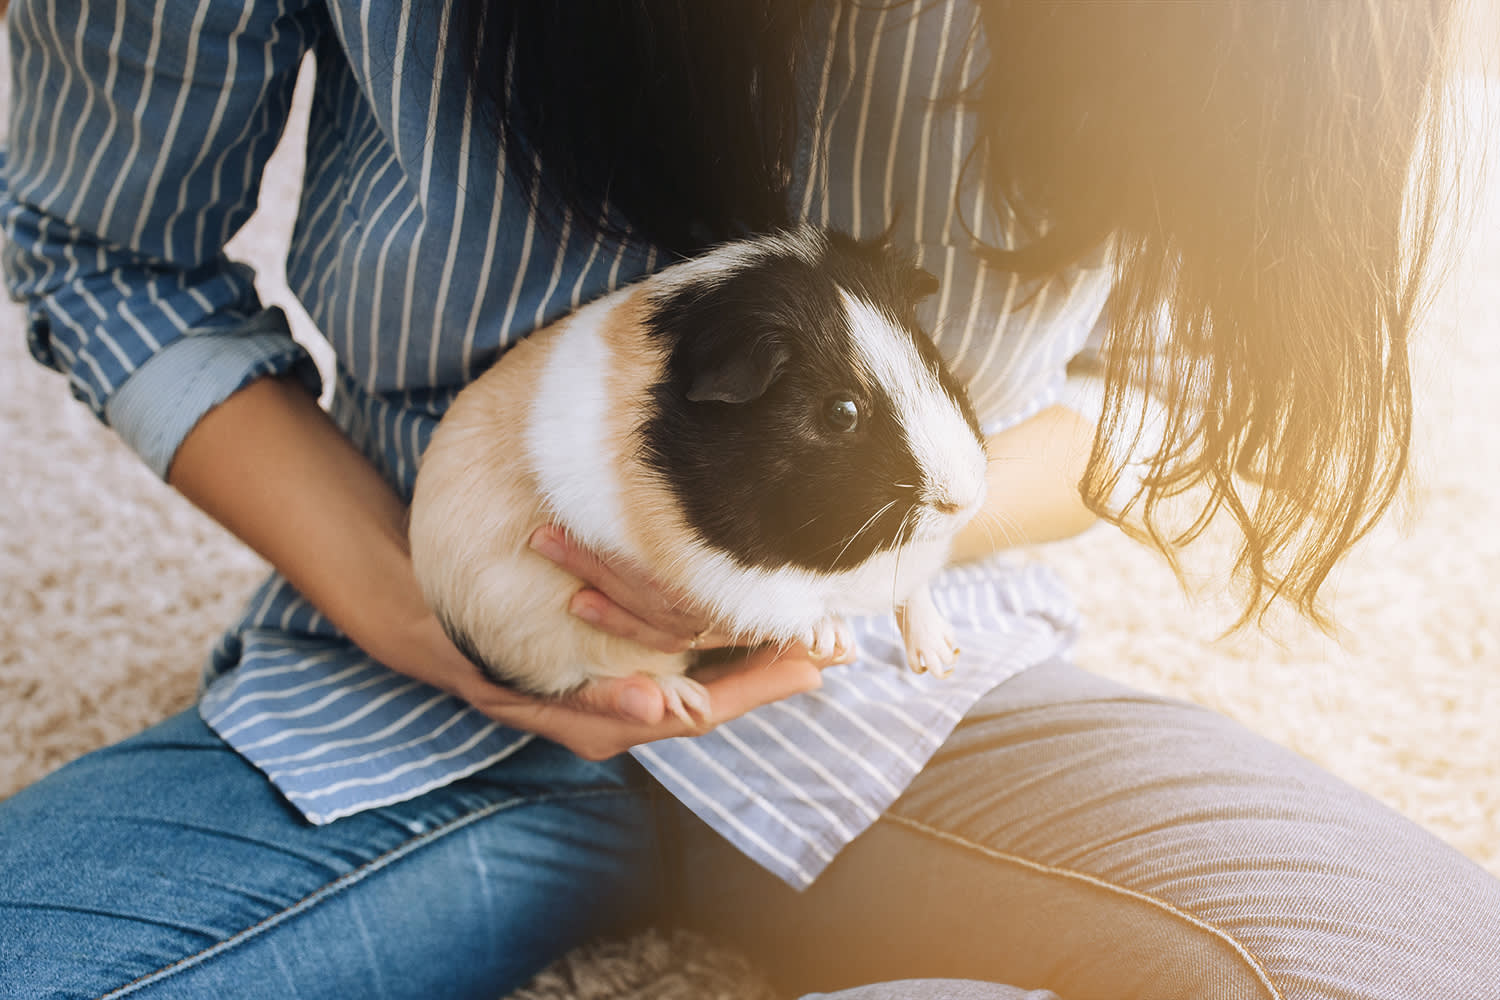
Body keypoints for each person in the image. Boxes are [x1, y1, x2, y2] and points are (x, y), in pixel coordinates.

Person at [0, 1, 1495, 998]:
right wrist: (426, 605)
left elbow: (1161, 379)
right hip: (419, 673)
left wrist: (888, 546)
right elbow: (106, 253)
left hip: (921, 687)